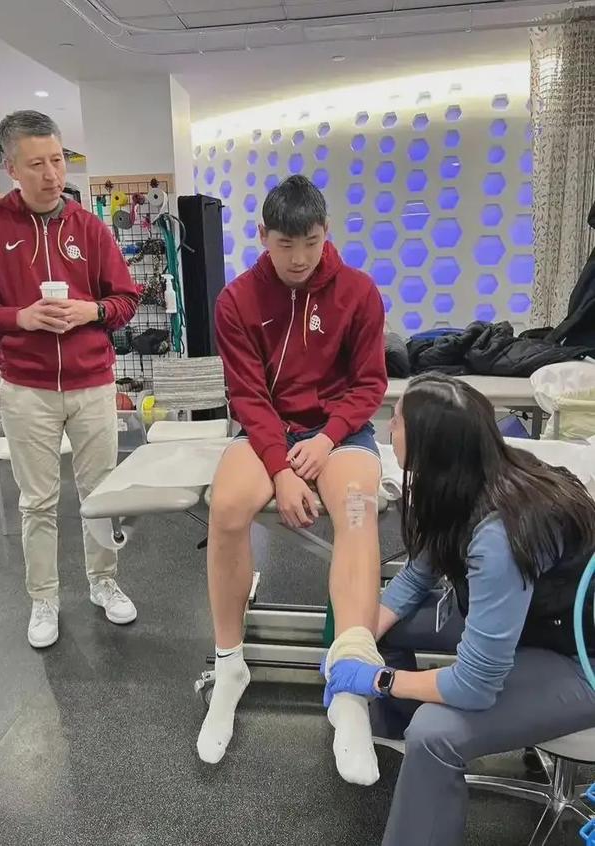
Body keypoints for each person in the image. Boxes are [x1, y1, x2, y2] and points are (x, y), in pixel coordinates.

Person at [323, 374, 595, 845]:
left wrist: (378, 680)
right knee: (384, 626)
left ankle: (425, 762)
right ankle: (396, 742)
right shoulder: (467, 476)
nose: (388, 430)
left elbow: (473, 687)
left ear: (429, 447)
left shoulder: (499, 537)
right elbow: (414, 580)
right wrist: (356, 642)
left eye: (398, 421)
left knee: (435, 732)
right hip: (532, 621)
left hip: (580, 658)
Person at [197, 175, 388, 785]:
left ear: (325, 232)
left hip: (339, 433)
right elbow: (247, 395)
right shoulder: (237, 300)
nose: (300, 258)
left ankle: (350, 687)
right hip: (269, 429)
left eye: (310, 242)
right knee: (228, 508)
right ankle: (230, 664)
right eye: (285, 244)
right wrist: (280, 467)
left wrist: (328, 438)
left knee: (357, 510)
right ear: (263, 237)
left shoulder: (358, 292)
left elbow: (370, 384)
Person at [0, 110, 139, 649]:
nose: (52, 174)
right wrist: (19, 317)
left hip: (92, 383)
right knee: (37, 502)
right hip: (26, 388)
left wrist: (91, 311)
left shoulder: (90, 227)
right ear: (11, 168)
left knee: (100, 493)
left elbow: (126, 299)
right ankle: (44, 598)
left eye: (58, 160)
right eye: (37, 164)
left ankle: (103, 581)